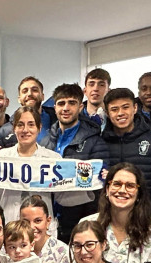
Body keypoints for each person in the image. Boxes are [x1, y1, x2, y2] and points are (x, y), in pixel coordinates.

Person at [41, 83, 111, 244]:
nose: (66, 108)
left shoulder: (95, 142)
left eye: (71, 103)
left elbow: (99, 188)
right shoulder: (45, 142)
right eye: (61, 103)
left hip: (81, 221)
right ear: (55, 107)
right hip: (49, 220)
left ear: (80, 107)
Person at [101, 88, 151, 221]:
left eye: (125, 107)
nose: (120, 113)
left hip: (147, 218)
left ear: (135, 108)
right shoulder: (100, 144)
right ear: (107, 113)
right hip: (110, 219)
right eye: (114, 109)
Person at [0, 106, 60, 229]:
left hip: (41, 229)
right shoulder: (0, 157)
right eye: (20, 125)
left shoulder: (53, 159)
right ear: (14, 128)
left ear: (39, 128)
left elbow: (63, 197)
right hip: (9, 226)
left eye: (31, 125)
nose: (25, 130)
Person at [18, 194, 69, 263]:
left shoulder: (63, 252)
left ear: (48, 221)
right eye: (26, 222)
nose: (32, 227)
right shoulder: (14, 250)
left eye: (37, 221)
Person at [0, 76, 57, 148]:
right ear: (19, 99)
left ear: (42, 96)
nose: (29, 94)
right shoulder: (5, 131)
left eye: (35, 90)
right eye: (25, 91)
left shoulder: (58, 123)